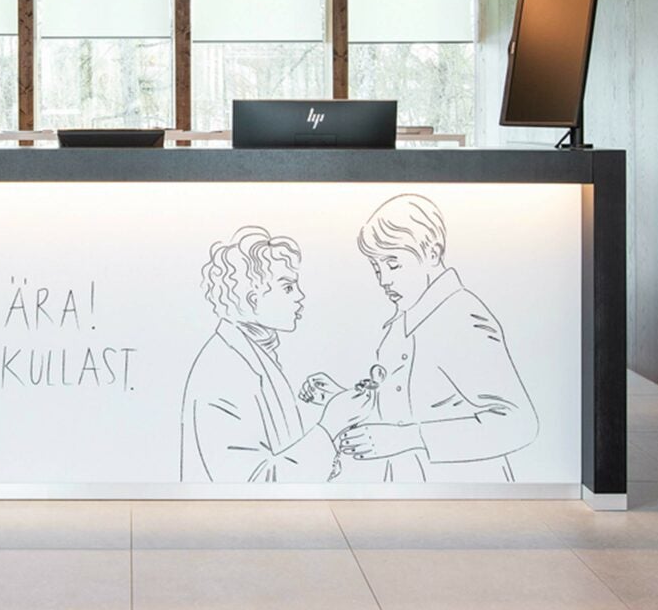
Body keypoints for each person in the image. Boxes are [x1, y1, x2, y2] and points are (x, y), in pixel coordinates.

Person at [303, 193, 538, 482]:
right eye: (376, 268)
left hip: (464, 493)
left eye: (393, 264)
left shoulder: (462, 318)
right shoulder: (404, 319)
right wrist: (342, 399)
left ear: (433, 254)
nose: (383, 280)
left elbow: (518, 423)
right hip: (415, 491)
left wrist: (407, 438)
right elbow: (411, 404)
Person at [180, 226, 370, 483]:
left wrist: (319, 410)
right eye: (288, 287)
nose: (300, 296)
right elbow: (252, 483)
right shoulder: (225, 369)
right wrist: (330, 425)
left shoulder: (253, 354)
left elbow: (275, 447)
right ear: (253, 298)